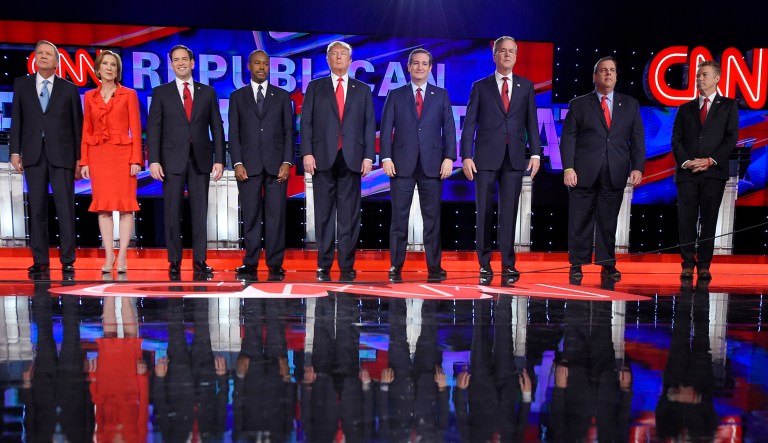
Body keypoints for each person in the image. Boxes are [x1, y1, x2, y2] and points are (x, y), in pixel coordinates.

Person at [460, 36, 542, 284]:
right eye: (502, 51)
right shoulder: (480, 86)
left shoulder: (526, 87)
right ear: (494, 55)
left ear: (516, 56)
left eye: (511, 51)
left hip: (515, 159)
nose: (507, 55)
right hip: (485, 158)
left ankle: (508, 264)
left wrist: (536, 153)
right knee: (483, 213)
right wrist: (466, 156)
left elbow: (532, 123)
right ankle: (484, 264)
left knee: (509, 213)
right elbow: (469, 124)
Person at [559, 56, 645, 281]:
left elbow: (637, 139)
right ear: (595, 76)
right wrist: (568, 168)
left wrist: (638, 167)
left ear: (616, 76)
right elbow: (567, 138)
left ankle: (607, 264)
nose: (608, 74)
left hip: (615, 171)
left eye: (612, 70)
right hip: (583, 172)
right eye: (603, 70)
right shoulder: (579, 104)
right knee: (580, 220)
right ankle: (577, 263)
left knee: (608, 222)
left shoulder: (629, 104)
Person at [146, 44, 225, 276]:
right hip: (171, 161)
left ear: (192, 63)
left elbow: (217, 128)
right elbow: (154, 129)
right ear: (171, 65)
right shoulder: (161, 92)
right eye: (176, 60)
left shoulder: (207, 92)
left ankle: (200, 260)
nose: (181, 63)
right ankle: (174, 261)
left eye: (184, 59)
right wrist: (154, 160)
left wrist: (219, 159)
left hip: (200, 160)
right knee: (172, 212)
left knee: (200, 213)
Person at [300, 41, 376, 281]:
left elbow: (368, 124)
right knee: (323, 213)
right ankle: (323, 264)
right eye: (334, 54)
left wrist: (368, 156)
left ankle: (346, 264)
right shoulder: (315, 87)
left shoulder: (362, 89)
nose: (339, 57)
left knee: (349, 215)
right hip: (322, 157)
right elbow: (306, 123)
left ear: (351, 60)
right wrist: (307, 153)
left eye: (343, 54)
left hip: (352, 158)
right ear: (328, 59)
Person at [380, 48, 456, 280]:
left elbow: (449, 129)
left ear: (430, 68)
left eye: (424, 64)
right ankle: (396, 266)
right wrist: (386, 157)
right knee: (398, 220)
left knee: (432, 220)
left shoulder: (440, 95)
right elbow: (385, 129)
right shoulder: (396, 94)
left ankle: (434, 267)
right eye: (416, 63)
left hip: (433, 166)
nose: (420, 67)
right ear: (409, 67)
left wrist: (449, 157)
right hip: (401, 165)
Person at [9, 40, 83, 275]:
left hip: (62, 156)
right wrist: (14, 150)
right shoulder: (22, 84)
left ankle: (68, 259)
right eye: (39, 53)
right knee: (37, 209)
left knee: (65, 209)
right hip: (33, 154)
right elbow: (17, 120)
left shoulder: (69, 88)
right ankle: (40, 260)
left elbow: (77, 126)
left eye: (48, 54)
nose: (42, 56)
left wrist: (80, 158)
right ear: (34, 58)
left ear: (56, 61)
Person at [228, 49, 294, 278]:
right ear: (249, 66)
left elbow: (289, 132)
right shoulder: (237, 97)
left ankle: (275, 263)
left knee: (276, 216)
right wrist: (236, 163)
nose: (262, 67)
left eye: (265, 64)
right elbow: (233, 133)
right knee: (251, 215)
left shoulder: (283, 96)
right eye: (257, 63)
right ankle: (251, 262)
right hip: (248, 166)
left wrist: (287, 161)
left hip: (277, 166)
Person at [671, 60, 739, 280]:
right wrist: (687, 162)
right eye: (698, 75)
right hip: (687, 173)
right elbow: (676, 141)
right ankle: (687, 263)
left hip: (713, 173)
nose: (700, 79)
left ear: (717, 78)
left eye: (704, 75)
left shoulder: (729, 106)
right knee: (686, 220)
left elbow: (731, 139)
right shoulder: (685, 108)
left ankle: (704, 265)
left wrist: (710, 160)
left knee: (709, 219)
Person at [79, 50, 142, 274]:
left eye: (113, 65)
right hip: (98, 156)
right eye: (105, 64)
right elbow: (86, 129)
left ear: (118, 71)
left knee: (126, 208)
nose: (109, 68)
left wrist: (137, 159)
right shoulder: (89, 97)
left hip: (123, 156)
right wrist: (84, 160)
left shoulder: (129, 94)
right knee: (103, 209)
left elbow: (135, 128)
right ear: (97, 69)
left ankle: (123, 255)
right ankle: (108, 255)